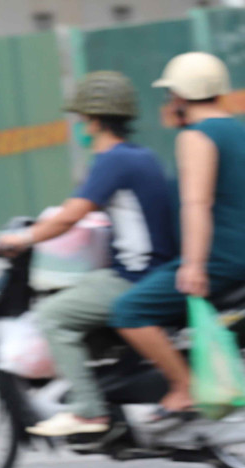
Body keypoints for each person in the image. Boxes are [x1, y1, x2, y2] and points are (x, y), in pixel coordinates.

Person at [0, 71, 176, 437]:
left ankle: (89, 410)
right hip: (154, 268)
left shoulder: (113, 160)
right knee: (79, 290)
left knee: (53, 315)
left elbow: (72, 214)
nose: (80, 125)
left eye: (81, 118)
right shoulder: (140, 156)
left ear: (93, 119)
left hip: (136, 276)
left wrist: (22, 238)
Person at [110, 52, 245, 422]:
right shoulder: (237, 129)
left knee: (129, 310)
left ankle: (184, 388)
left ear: (180, 96)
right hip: (238, 255)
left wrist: (195, 264)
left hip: (218, 258)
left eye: (171, 94)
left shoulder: (197, 136)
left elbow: (197, 203)